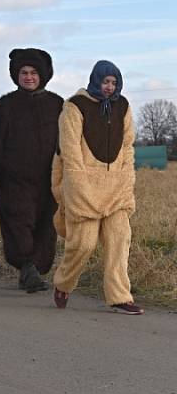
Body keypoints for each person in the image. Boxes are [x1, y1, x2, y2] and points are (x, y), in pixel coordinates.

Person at [0, 48, 63, 293]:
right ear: (16, 75)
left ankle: (35, 269)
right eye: (24, 72)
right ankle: (27, 268)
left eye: (33, 72)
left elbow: (71, 141)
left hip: (49, 180)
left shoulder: (58, 105)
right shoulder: (5, 106)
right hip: (14, 181)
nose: (28, 77)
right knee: (19, 223)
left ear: (43, 75)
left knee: (45, 226)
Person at [51, 61, 142, 314]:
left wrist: (127, 176)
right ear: (95, 80)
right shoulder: (74, 107)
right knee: (84, 245)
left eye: (114, 82)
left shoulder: (123, 107)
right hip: (84, 188)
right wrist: (78, 185)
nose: (109, 87)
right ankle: (64, 283)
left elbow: (128, 145)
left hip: (116, 189)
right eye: (105, 81)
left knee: (119, 241)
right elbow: (69, 150)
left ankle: (120, 296)